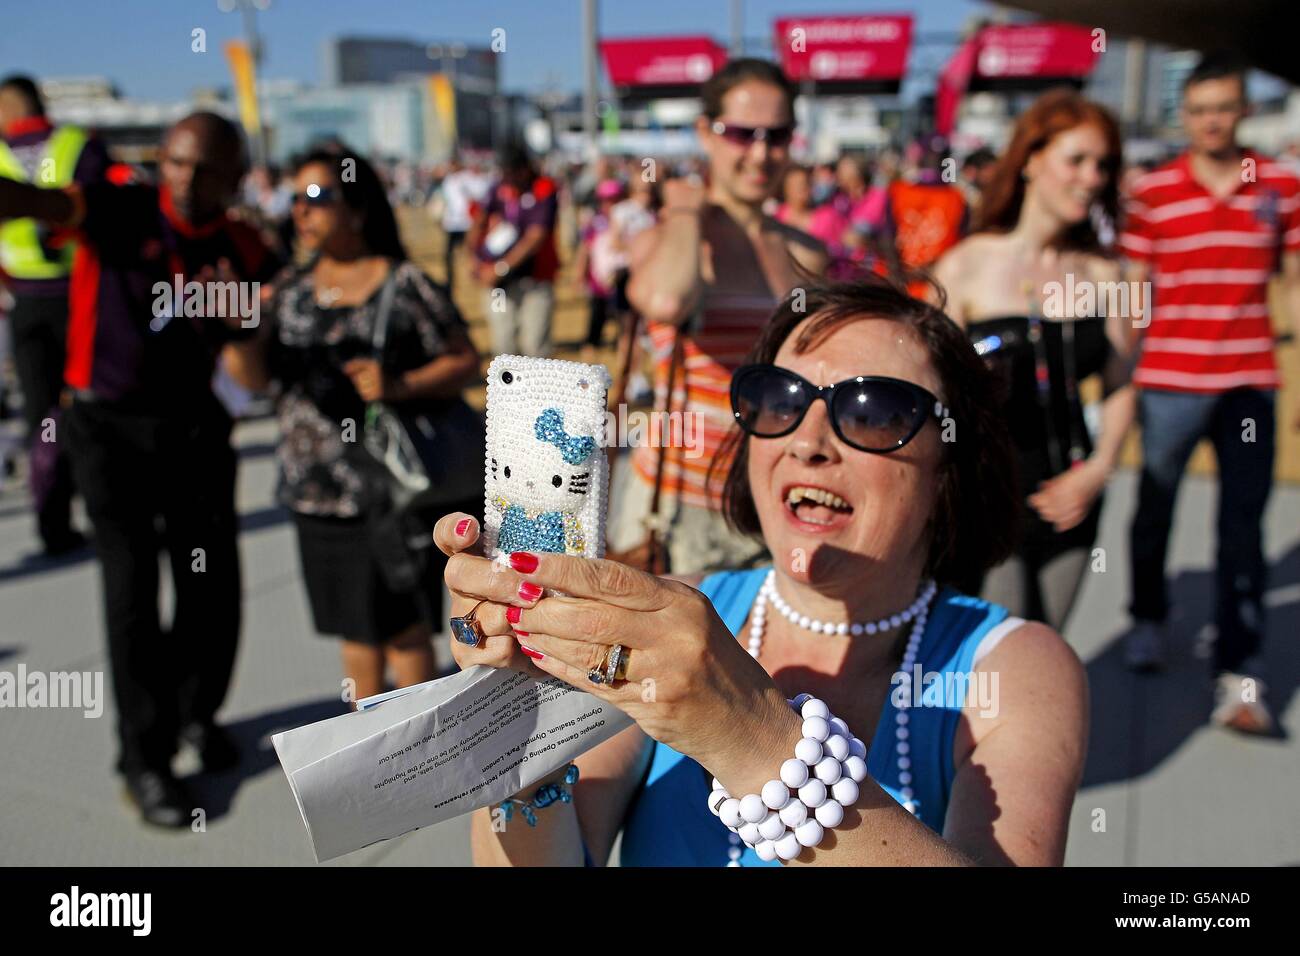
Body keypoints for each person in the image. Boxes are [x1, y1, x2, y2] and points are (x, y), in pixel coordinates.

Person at [435, 278, 1087, 867]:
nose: (808, 440)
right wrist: (517, 738)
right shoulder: (671, 617)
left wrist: (751, 736)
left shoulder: (1014, 668)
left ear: (951, 462)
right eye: (779, 399)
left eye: (872, 410)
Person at [0, 111, 279, 826]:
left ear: (235, 178)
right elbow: (38, 204)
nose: (188, 181)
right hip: (109, 431)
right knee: (131, 595)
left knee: (211, 587)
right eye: (178, 163)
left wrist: (236, 316)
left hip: (195, 431)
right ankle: (143, 760)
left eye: (209, 169)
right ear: (162, 160)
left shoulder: (242, 245)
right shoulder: (120, 209)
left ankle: (196, 713)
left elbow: (252, 376)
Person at [222, 145, 481, 706]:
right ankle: (366, 763)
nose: (301, 211)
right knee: (355, 636)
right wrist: (240, 330)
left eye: (316, 197)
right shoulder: (287, 290)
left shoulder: (404, 283)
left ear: (358, 208)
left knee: (408, 635)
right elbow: (255, 380)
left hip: (393, 492)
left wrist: (401, 385)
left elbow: (465, 360)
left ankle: (423, 757)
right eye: (294, 199)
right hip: (318, 494)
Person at [1118, 54, 1300, 733]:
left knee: (1243, 527)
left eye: (1224, 107)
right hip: (1169, 378)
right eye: (1199, 109)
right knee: (1154, 506)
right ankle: (1147, 618)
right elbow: (1136, 288)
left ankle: (1240, 672)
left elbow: (1294, 282)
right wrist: (1120, 373)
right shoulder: (1155, 192)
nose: (1212, 121)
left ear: (1243, 110)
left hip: (1249, 378)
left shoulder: (1278, 185)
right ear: (1184, 115)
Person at [613, 58, 827, 575]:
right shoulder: (666, 238)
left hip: (772, 500)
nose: (760, 153)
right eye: (741, 133)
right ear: (704, 133)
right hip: (678, 507)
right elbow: (665, 300)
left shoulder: (808, 253)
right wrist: (686, 210)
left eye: (777, 136)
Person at [933, 90, 1135, 631]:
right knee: (1006, 645)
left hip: (1074, 491)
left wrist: (1098, 470)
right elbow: (929, 392)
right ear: (1031, 160)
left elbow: (1120, 384)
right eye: (1077, 160)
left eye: (1103, 165)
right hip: (990, 493)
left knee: (1052, 643)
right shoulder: (964, 266)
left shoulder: (1109, 274)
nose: (1092, 177)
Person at [0, 74, 108, 556]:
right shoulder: (78, 145)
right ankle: (104, 511)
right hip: (79, 299)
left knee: (44, 417)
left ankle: (55, 522)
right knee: (88, 408)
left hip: (35, 302)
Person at [468, 145, 559, 358]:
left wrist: (501, 268)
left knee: (535, 346)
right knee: (503, 342)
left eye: (511, 171)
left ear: (524, 169)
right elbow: (478, 222)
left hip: (534, 281)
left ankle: (537, 391)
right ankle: (509, 391)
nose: (507, 177)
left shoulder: (543, 188)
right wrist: (474, 260)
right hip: (500, 288)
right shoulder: (498, 188)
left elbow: (535, 237)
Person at [433, 156, 490, 296]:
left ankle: (477, 277)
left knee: (472, 252)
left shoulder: (469, 178)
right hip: (452, 224)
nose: (451, 167)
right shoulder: (448, 181)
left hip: (467, 223)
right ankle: (450, 282)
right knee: (448, 255)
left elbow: (483, 192)